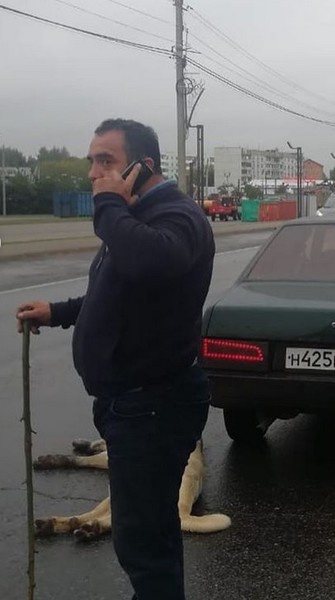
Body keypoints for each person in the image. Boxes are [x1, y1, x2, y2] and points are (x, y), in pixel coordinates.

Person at [16, 118, 216, 600]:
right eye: (92, 160)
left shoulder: (176, 217)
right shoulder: (135, 219)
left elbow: (151, 261)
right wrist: (59, 312)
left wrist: (108, 207)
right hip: (132, 403)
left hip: (154, 406)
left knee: (142, 543)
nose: (93, 173)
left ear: (142, 167)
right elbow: (117, 296)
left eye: (106, 161)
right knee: (149, 535)